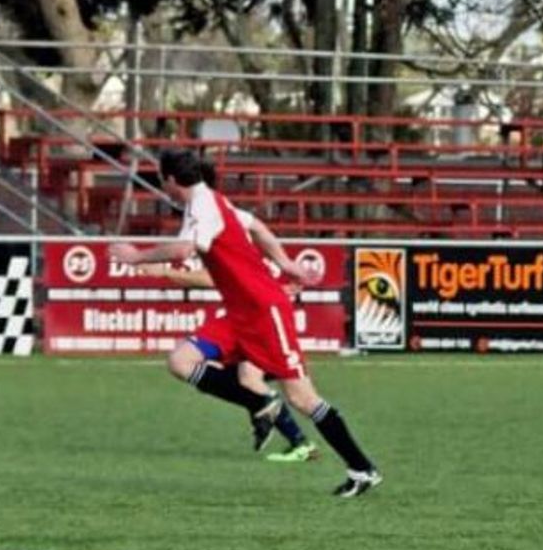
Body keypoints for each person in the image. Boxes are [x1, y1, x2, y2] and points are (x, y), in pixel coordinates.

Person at [112, 150, 381, 496]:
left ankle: (362, 468)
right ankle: (259, 403)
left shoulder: (204, 206)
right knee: (181, 361)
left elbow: (182, 251)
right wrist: (285, 262)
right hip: (240, 314)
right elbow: (255, 226)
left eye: (161, 180)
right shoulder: (209, 202)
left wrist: (136, 257)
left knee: (302, 397)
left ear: (170, 180)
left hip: (265, 310)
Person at [151, 249, 318, 463]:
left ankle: (298, 440)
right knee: (185, 362)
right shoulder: (240, 240)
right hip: (239, 319)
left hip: (265, 321)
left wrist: (165, 271)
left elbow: (213, 278)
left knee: (247, 376)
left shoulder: (245, 241)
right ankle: (263, 405)